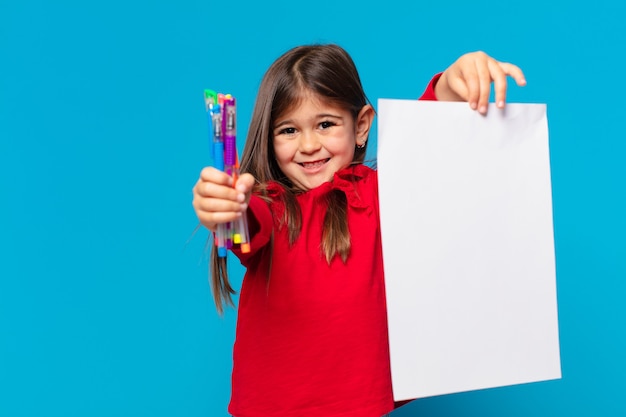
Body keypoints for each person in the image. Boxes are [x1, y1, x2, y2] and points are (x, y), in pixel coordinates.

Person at [192, 44, 526, 417]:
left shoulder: (380, 193)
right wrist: (225, 206)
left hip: (360, 405)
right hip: (271, 406)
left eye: (325, 124)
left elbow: (421, 148)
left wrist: (450, 84)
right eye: (288, 130)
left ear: (362, 124)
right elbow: (247, 223)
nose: (308, 145)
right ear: (270, 139)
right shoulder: (270, 205)